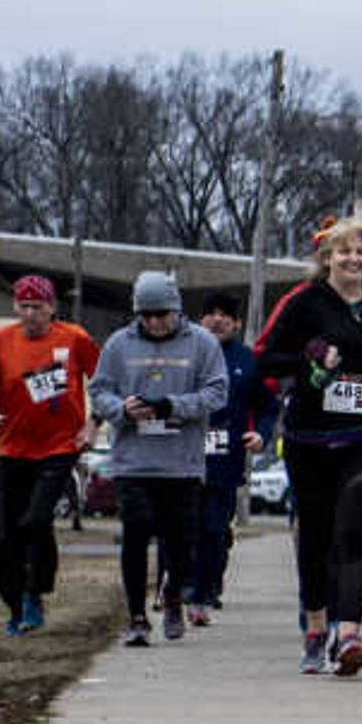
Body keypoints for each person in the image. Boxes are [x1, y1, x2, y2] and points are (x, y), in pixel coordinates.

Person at [253, 220, 362, 677]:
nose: (353, 259)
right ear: (327, 258)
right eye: (344, 252)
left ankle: (348, 636)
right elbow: (266, 359)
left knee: (355, 528)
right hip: (310, 438)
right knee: (317, 536)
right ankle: (315, 628)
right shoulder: (305, 303)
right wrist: (308, 360)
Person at [87, 272, 230, 646]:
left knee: (180, 540)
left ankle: (173, 598)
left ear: (176, 310)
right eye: (146, 315)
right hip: (133, 460)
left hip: (181, 461)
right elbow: (99, 390)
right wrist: (122, 409)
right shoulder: (119, 344)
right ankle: (136, 616)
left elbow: (217, 393)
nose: (153, 322)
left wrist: (173, 407)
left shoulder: (202, 343)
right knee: (136, 533)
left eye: (161, 314)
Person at [0, 273, 99, 638]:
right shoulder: (0, 341)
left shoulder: (74, 339)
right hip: (13, 447)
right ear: (15, 307)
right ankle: (17, 605)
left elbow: (105, 382)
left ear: (52, 307)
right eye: (23, 306)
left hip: (59, 446)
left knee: (37, 519)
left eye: (38, 307)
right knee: (9, 535)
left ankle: (37, 590)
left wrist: (93, 423)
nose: (30, 314)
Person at [188, 299, 258, 623]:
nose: (217, 321)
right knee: (182, 528)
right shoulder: (183, 353)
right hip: (183, 459)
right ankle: (183, 587)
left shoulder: (247, 360)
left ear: (237, 324)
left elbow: (268, 406)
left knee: (215, 531)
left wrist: (261, 433)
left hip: (225, 461)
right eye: (210, 314)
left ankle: (207, 587)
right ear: (198, 320)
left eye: (224, 316)